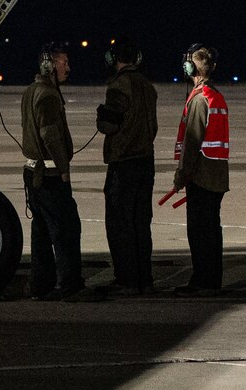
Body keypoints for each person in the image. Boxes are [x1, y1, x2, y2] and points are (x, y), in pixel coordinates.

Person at [21, 42, 98, 300]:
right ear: (49, 65)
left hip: (33, 174)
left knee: (42, 232)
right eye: (63, 62)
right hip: (51, 175)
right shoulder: (48, 95)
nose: (68, 67)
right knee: (66, 230)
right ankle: (71, 286)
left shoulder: (32, 90)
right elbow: (49, 134)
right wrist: (64, 169)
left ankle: (40, 285)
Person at [95, 37, 158, 296]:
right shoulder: (147, 86)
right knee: (141, 222)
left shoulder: (119, 86)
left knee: (120, 223)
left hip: (124, 162)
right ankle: (145, 279)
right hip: (146, 160)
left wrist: (102, 117)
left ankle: (127, 279)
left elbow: (109, 125)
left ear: (114, 59)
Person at [171, 44, 229, 296]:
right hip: (217, 175)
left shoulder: (199, 99)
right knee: (212, 231)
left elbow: (192, 143)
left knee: (200, 233)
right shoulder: (215, 96)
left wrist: (181, 175)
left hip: (202, 176)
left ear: (190, 68)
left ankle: (202, 281)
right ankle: (212, 279)